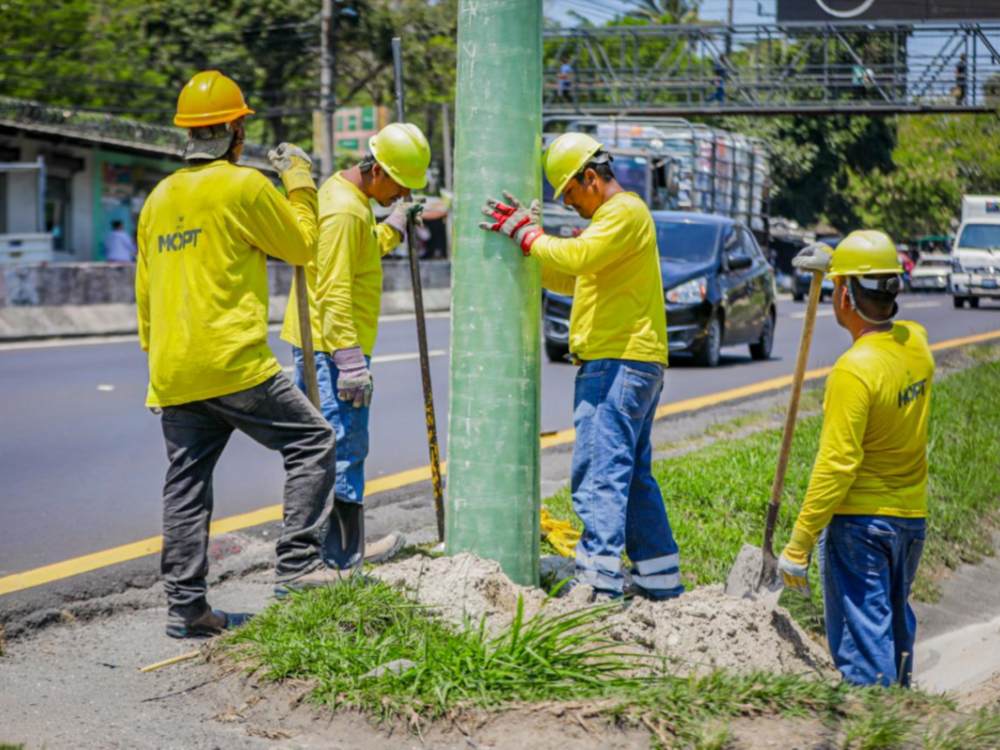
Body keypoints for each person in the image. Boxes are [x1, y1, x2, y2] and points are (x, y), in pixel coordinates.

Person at [136, 70, 339, 638]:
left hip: (174, 368)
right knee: (312, 440)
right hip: (233, 361)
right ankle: (299, 569)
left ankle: (187, 612)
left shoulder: (159, 198)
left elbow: (145, 293)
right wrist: (299, 183)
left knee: (186, 484)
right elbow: (301, 246)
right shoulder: (244, 186)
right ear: (233, 130)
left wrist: (158, 369)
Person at [479, 132, 683, 602]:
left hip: (617, 362)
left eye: (569, 193)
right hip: (631, 361)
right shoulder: (616, 222)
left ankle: (599, 581)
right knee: (631, 475)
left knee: (600, 472)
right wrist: (528, 246)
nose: (569, 205)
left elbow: (579, 256)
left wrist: (529, 234)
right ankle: (659, 576)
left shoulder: (623, 212)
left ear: (590, 178)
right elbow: (571, 275)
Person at [779, 231, 935, 687]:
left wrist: (799, 545)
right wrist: (837, 264)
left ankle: (877, 726)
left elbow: (836, 465)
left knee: (865, 654)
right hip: (910, 521)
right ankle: (902, 715)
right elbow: (895, 318)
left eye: (835, 288)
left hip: (860, 529)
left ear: (844, 295)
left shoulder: (853, 370)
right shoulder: (918, 344)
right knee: (894, 628)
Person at [280, 122, 431, 571]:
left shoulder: (348, 198)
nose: (401, 194)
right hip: (333, 348)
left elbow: (359, 253)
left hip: (327, 342)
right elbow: (334, 289)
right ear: (378, 170)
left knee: (332, 446)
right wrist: (348, 362)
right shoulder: (346, 212)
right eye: (400, 186)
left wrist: (394, 227)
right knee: (342, 448)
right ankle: (338, 558)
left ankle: (339, 549)